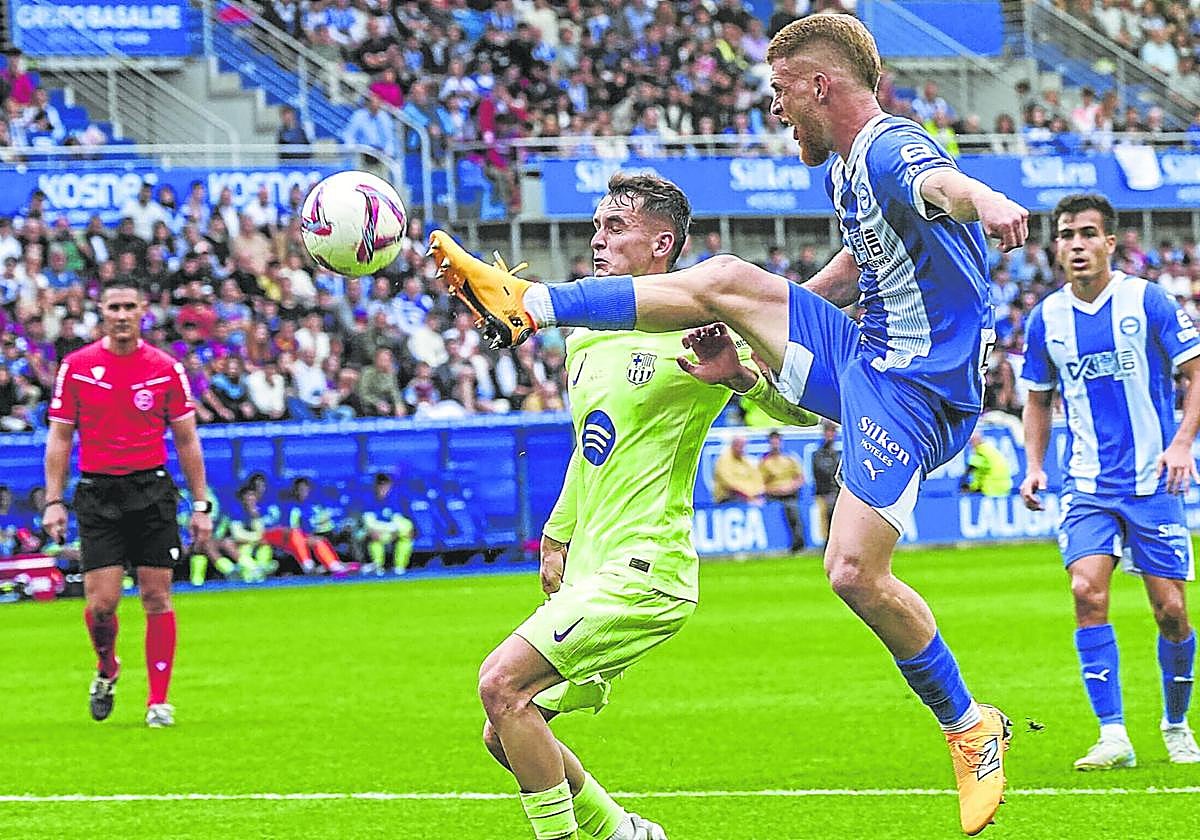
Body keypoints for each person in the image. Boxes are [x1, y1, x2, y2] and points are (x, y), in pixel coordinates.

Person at [430, 14, 1028, 835]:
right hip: (867, 355)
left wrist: (987, 199)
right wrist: (763, 334)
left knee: (855, 571)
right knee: (732, 288)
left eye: (781, 92)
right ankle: (531, 305)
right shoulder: (847, 173)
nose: (776, 110)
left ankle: (968, 726)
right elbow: (865, 262)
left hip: (919, 387)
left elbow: (939, 185)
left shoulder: (890, 147)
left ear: (820, 85)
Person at [476, 172, 817, 840]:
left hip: (647, 571)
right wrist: (557, 537)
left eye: (615, 227)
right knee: (505, 733)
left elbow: (805, 412)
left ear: (662, 244)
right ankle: (627, 834)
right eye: (596, 226)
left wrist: (742, 377)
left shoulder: (702, 317)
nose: (596, 239)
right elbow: (592, 445)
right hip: (592, 567)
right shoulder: (582, 332)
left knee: (500, 685)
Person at [1018, 193, 1200, 769]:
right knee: (1085, 593)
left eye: (1088, 234)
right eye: (1068, 235)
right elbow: (1038, 399)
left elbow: (1195, 376)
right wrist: (1035, 465)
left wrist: (1180, 444)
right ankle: (1113, 734)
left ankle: (1175, 725)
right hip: (1087, 484)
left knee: (1171, 610)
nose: (1077, 245)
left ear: (1110, 242)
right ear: (1055, 246)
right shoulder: (1045, 317)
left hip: (1153, 483)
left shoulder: (1149, 301)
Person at [43, 278, 212, 728]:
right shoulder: (77, 367)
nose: (121, 315)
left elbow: (187, 439)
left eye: (129, 307)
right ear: (102, 312)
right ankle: (107, 667)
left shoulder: (164, 368)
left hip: (152, 491)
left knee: (157, 595)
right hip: (99, 493)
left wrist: (200, 504)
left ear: (144, 312)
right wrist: (54, 501)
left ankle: (158, 701)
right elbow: (60, 437)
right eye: (113, 307)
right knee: (103, 605)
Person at [358, 473, 414, 576]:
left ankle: (400, 566)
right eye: (381, 485)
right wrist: (388, 530)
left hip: (389, 530)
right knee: (374, 538)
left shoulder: (393, 497)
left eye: (387, 486)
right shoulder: (368, 498)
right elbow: (369, 523)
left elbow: (397, 518)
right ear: (376, 486)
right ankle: (378, 566)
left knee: (406, 533)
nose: (384, 489)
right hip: (373, 531)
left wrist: (395, 530)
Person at [761, 430, 806, 550]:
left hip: (791, 494)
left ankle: (799, 543)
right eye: (773, 441)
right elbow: (761, 483)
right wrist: (776, 489)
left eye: (777, 441)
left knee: (793, 509)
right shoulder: (765, 463)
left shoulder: (790, 459)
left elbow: (800, 478)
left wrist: (791, 487)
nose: (775, 444)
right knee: (786, 509)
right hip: (773, 496)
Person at [712, 434, 767, 504]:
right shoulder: (723, 460)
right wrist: (746, 494)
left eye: (743, 446)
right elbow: (727, 482)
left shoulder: (745, 461)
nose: (742, 448)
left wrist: (756, 491)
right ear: (733, 445)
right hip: (729, 497)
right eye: (739, 445)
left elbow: (757, 478)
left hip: (748, 497)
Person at [810, 421, 841, 545]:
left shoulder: (836, 454)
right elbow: (823, 472)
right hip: (824, 494)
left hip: (836, 493)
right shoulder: (818, 454)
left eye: (832, 431)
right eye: (828, 431)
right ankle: (828, 543)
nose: (830, 435)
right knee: (828, 513)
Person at [960, 430, 1012, 497]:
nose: (970, 444)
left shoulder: (980, 453)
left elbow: (972, 470)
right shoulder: (991, 450)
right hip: (1005, 489)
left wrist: (968, 487)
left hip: (991, 489)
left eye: (970, 442)